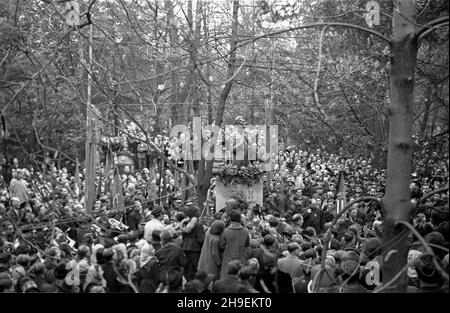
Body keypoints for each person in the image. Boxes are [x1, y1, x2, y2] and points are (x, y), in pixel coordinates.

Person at [219, 210, 250, 279]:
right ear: (239, 219)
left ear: (230, 219)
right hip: (241, 259)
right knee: (239, 279)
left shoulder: (225, 231)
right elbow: (247, 247)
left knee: (226, 279)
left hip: (227, 259)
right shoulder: (245, 231)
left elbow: (221, 246)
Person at [181, 205, 205, 281]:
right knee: (196, 267)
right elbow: (201, 239)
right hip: (195, 249)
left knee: (188, 268)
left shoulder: (185, 223)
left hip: (185, 247)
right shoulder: (199, 225)